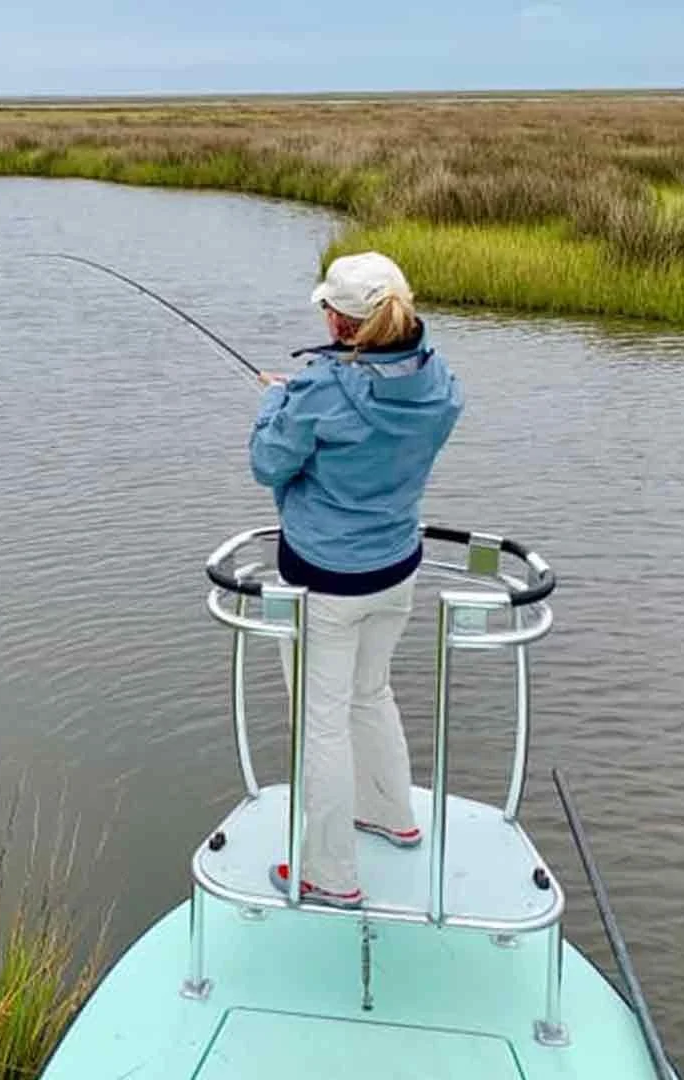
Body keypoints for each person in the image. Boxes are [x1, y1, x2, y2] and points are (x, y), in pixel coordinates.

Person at [248, 251, 464, 909]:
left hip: (323, 579)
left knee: (322, 723)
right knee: (371, 692)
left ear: (341, 326)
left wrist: (277, 404)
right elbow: (367, 411)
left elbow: (267, 464)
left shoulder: (319, 392)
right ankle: (392, 813)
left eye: (327, 311)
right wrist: (302, 394)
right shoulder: (441, 384)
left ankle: (331, 877)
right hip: (397, 569)